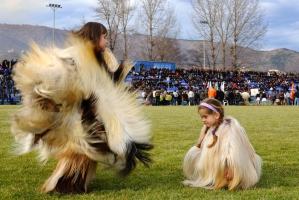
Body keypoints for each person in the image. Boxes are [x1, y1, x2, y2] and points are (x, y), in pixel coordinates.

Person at [11, 22, 153, 194]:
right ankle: (64, 185)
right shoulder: (76, 55)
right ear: (94, 37)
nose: (106, 42)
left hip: (89, 115)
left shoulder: (101, 58)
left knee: (90, 150)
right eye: (104, 37)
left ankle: (76, 181)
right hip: (79, 118)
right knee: (81, 151)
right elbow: (59, 77)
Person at [182, 98, 262, 190]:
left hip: (227, 170)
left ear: (216, 115)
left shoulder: (229, 129)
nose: (203, 120)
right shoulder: (207, 129)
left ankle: (224, 177)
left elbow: (231, 151)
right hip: (215, 170)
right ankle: (213, 177)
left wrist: (231, 168)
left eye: (205, 117)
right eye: (202, 117)